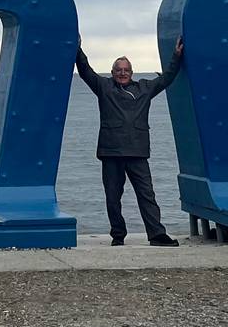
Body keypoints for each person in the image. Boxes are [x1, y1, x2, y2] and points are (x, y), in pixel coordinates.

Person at [75, 36, 184, 247]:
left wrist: (177, 56)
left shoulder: (145, 88)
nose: (122, 73)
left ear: (132, 73)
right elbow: (85, 71)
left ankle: (157, 235)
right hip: (111, 152)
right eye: (118, 70)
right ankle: (118, 235)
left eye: (126, 70)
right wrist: (77, 50)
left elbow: (168, 78)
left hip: (137, 152)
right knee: (113, 198)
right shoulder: (103, 87)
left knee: (147, 195)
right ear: (112, 72)